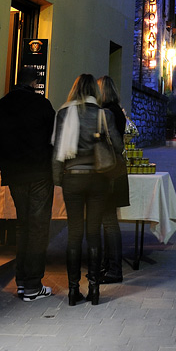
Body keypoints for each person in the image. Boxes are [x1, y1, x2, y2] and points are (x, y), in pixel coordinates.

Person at [52, 73, 123, 306]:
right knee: (93, 233)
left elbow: (56, 151)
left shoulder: (64, 113)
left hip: (72, 177)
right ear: (94, 90)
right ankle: (94, 289)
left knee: (74, 234)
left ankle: (73, 291)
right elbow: (119, 146)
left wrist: (58, 180)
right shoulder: (105, 115)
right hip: (98, 180)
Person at [0, 67, 56, 302]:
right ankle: (32, 285)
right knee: (38, 227)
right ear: (35, 82)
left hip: (14, 174)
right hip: (39, 173)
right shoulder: (42, 105)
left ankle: (21, 282)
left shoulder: (1, 106)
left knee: (23, 225)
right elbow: (54, 137)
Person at [96, 75, 129, 284]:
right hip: (117, 169)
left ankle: (114, 268)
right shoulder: (118, 111)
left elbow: (114, 143)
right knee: (110, 220)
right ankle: (109, 265)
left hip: (109, 170)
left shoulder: (106, 112)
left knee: (108, 221)